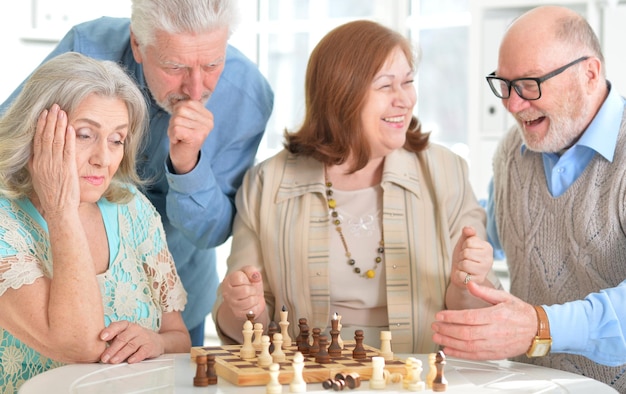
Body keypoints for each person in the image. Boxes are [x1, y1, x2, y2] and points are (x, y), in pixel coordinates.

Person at [212, 20, 501, 353]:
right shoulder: (267, 183)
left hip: (416, 378)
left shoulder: (446, 171)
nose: (404, 99)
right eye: (386, 86)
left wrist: (467, 280)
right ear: (342, 95)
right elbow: (241, 324)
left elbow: (473, 317)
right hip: (307, 381)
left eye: (408, 82)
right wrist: (247, 308)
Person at [0, 0, 274, 347]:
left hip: (168, 298)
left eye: (212, 64)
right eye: (175, 66)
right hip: (48, 285)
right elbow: (12, 142)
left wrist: (188, 164)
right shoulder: (87, 47)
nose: (195, 88)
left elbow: (212, 233)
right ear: (137, 44)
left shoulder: (248, 95)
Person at [431, 6, 626, 391]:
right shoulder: (510, 153)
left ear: (589, 73)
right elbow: (505, 255)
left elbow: (531, 320)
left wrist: (541, 325)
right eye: (504, 85)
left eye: (529, 84)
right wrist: (473, 269)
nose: (512, 104)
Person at [0, 52, 190, 393]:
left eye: (117, 140)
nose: (104, 158)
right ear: (36, 133)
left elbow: (178, 336)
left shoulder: (132, 207)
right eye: (85, 135)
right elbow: (82, 346)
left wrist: (155, 342)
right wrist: (61, 210)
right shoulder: (5, 223)